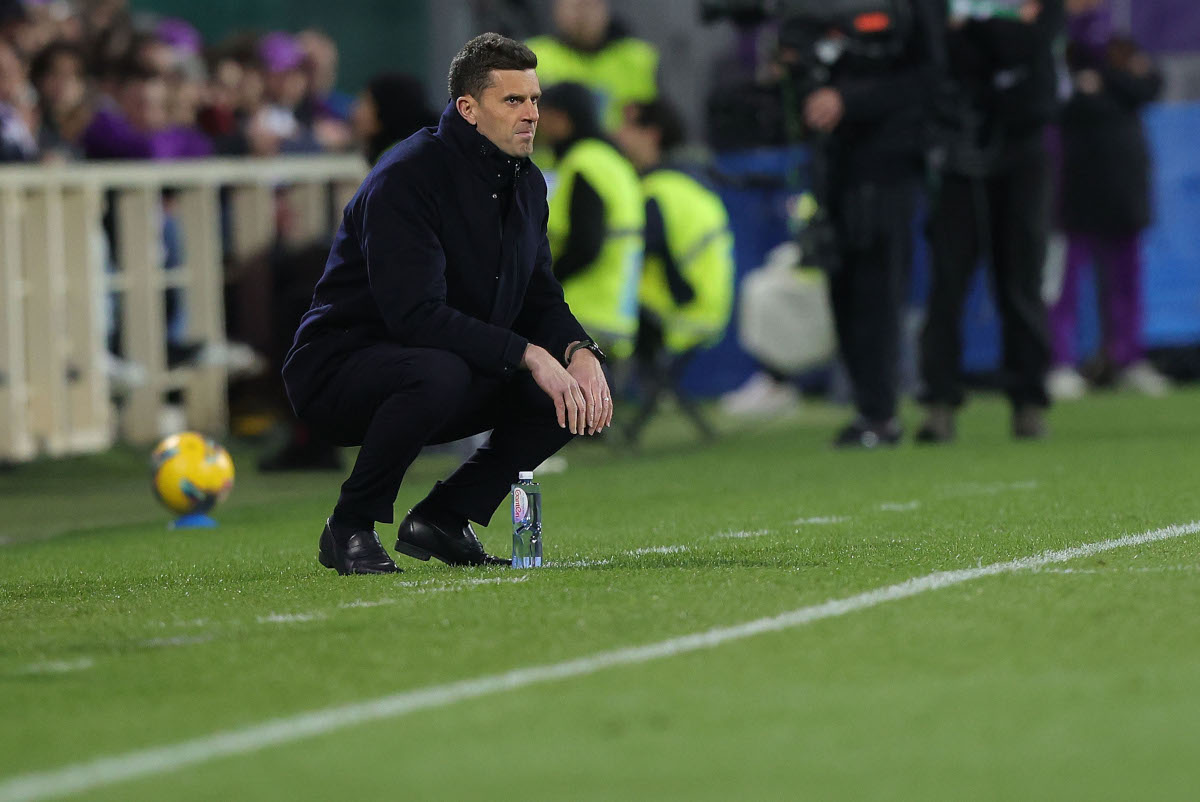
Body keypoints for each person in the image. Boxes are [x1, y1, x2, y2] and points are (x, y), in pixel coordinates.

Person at [282, 33, 613, 575]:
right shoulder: (408, 177)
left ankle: (444, 516)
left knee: (572, 391)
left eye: (534, 100)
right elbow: (412, 315)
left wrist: (579, 350)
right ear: (468, 108)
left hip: (443, 365)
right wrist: (529, 353)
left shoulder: (526, 183)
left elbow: (540, 296)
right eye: (513, 101)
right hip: (337, 369)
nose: (531, 114)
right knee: (440, 371)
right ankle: (350, 526)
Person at [787, 0, 946, 448]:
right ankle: (868, 407)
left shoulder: (912, 12)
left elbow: (929, 79)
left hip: (887, 164)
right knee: (844, 288)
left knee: (877, 291)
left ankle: (880, 411)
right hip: (833, 164)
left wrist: (848, 100)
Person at [918, 0, 1065, 443]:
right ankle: (939, 403)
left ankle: (1027, 402)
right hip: (958, 153)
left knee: (1021, 282)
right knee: (947, 285)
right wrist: (997, 31)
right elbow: (939, 51)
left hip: (1022, 153)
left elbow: (1031, 44)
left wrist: (973, 29)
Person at [1047, 4, 1168, 400]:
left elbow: (1148, 86)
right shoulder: (1056, 37)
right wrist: (1110, 87)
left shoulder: (1120, 35)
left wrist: (1103, 81)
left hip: (1122, 178)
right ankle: (1060, 363)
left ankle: (1127, 359)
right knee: (1062, 282)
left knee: (1126, 279)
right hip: (1070, 180)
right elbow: (1060, 103)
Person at [615, 98, 735, 439]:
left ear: (652, 135)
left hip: (675, 312)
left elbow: (650, 253)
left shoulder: (655, 191)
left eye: (627, 128)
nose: (617, 135)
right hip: (704, 309)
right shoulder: (686, 186)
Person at [536, 81, 644, 360]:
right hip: (615, 311)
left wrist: (542, 284)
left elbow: (585, 245)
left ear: (562, 118)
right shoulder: (611, 161)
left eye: (542, 112)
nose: (535, 121)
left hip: (582, 311)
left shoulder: (584, 163)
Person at [526, 0, 658, 133]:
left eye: (590, 4)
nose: (583, 14)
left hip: (620, 152)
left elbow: (661, 125)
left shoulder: (640, 59)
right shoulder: (531, 57)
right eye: (575, 6)